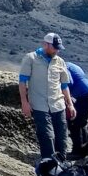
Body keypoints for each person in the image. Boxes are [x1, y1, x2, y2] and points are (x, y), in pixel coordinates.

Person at [18, 33, 76, 161]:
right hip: (39, 105)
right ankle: (49, 166)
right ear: (45, 44)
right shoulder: (31, 58)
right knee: (47, 136)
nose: (57, 50)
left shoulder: (60, 61)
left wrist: (70, 104)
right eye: (54, 47)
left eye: (58, 48)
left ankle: (62, 164)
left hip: (58, 104)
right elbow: (22, 81)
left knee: (62, 136)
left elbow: (64, 85)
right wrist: (24, 102)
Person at [66, 62, 88, 158]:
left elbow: (69, 82)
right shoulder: (71, 65)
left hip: (85, 96)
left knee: (74, 122)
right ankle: (85, 149)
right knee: (81, 122)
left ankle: (77, 152)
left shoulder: (62, 67)